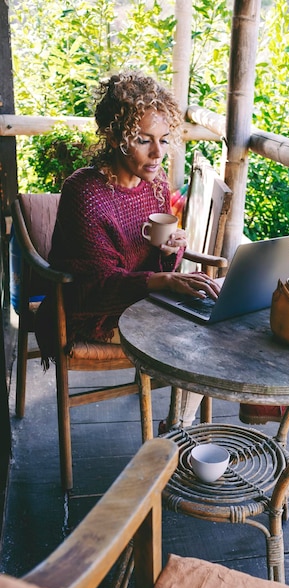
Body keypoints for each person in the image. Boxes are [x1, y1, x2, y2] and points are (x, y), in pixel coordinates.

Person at [35, 71, 219, 426]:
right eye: (143, 140)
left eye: (164, 140)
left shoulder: (156, 183)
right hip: (92, 315)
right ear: (116, 136)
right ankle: (177, 431)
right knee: (199, 335)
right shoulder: (86, 194)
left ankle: (178, 426)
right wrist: (165, 281)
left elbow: (153, 259)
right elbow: (95, 288)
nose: (157, 154)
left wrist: (170, 252)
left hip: (142, 303)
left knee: (214, 315)